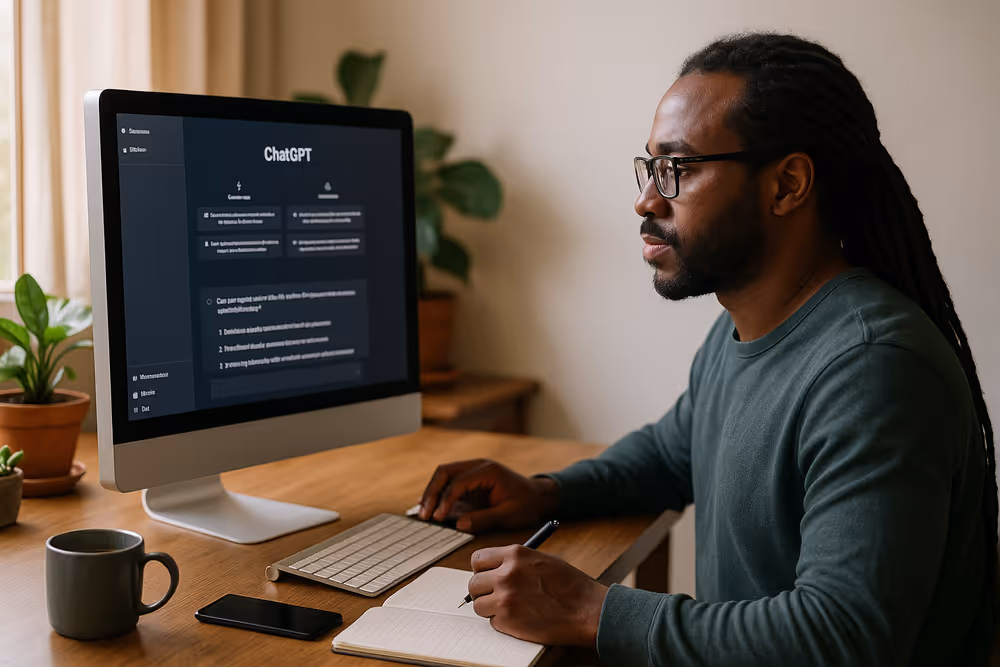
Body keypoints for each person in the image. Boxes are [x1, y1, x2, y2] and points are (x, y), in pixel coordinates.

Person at [417, 32, 996, 666]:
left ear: (787, 185)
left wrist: (592, 610)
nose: (645, 199)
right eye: (649, 166)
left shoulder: (873, 368)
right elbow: (674, 452)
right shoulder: (742, 326)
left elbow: (843, 637)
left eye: (679, 169)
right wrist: (544, 492)